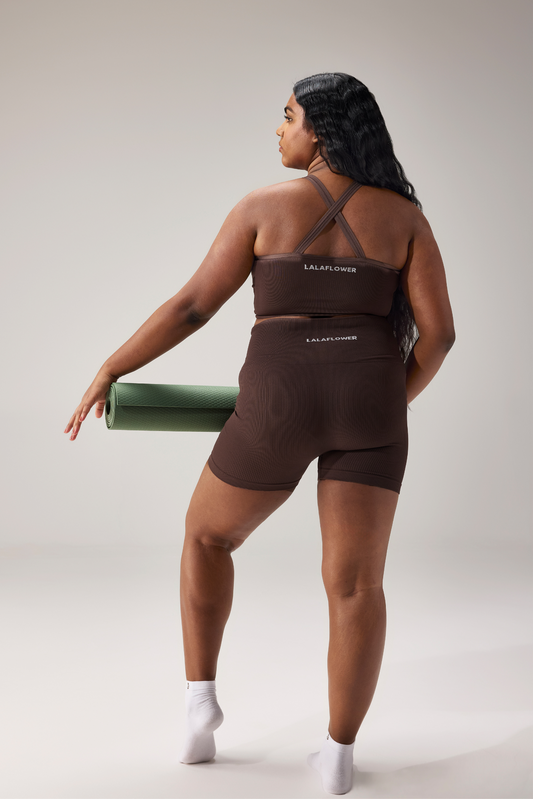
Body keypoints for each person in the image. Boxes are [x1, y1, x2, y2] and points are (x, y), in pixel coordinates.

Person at [65, 73, 455, 795]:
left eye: (287, 116)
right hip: (371, 404)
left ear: (321, 131)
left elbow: (191, 307)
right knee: (355, 585)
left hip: (278, 401)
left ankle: (200, 703)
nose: (278, 129)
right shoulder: (404, 219)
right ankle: (338, 756)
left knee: (206, 537)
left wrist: (110, 369)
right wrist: (384, 405)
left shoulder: (262, 207)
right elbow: (439, 336)